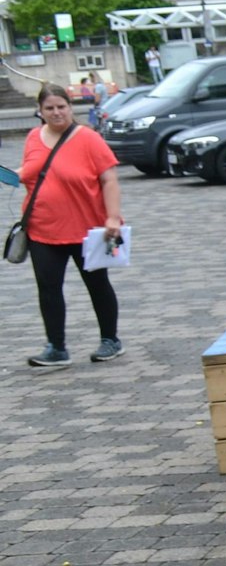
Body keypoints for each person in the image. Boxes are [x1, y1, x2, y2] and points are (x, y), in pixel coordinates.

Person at [20, 84, 123, 368]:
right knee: (48, 287)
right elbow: (31, 173)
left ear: (70, 107)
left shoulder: (87, 138)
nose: (56, 113)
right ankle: (56, 346)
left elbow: (109, 179)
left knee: (97, 284)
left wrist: (112, 217)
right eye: (49, 108)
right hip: (42, 228)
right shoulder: (32, 138)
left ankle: (110, 339)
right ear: (40, 112)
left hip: (86, 229)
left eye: (61, 107)